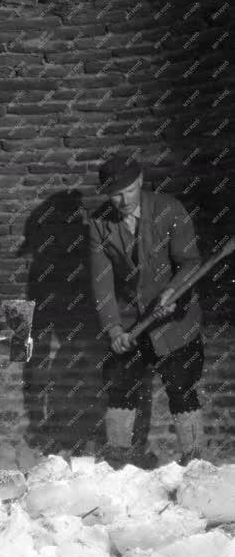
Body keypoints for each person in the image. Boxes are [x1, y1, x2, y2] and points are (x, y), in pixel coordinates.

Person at [88, 153, 204, 469]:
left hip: (175, 320)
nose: (122, 200)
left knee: (181, 388)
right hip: (129, 323)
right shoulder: (100, 224)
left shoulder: (169, 210)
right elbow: (102, 284)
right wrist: (113, 329)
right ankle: (119, 461)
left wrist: (172, 291)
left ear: (139, 182)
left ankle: (194, 462)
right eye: (114, 194)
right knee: (120, 386)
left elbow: (191, 263)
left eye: (127, 190)